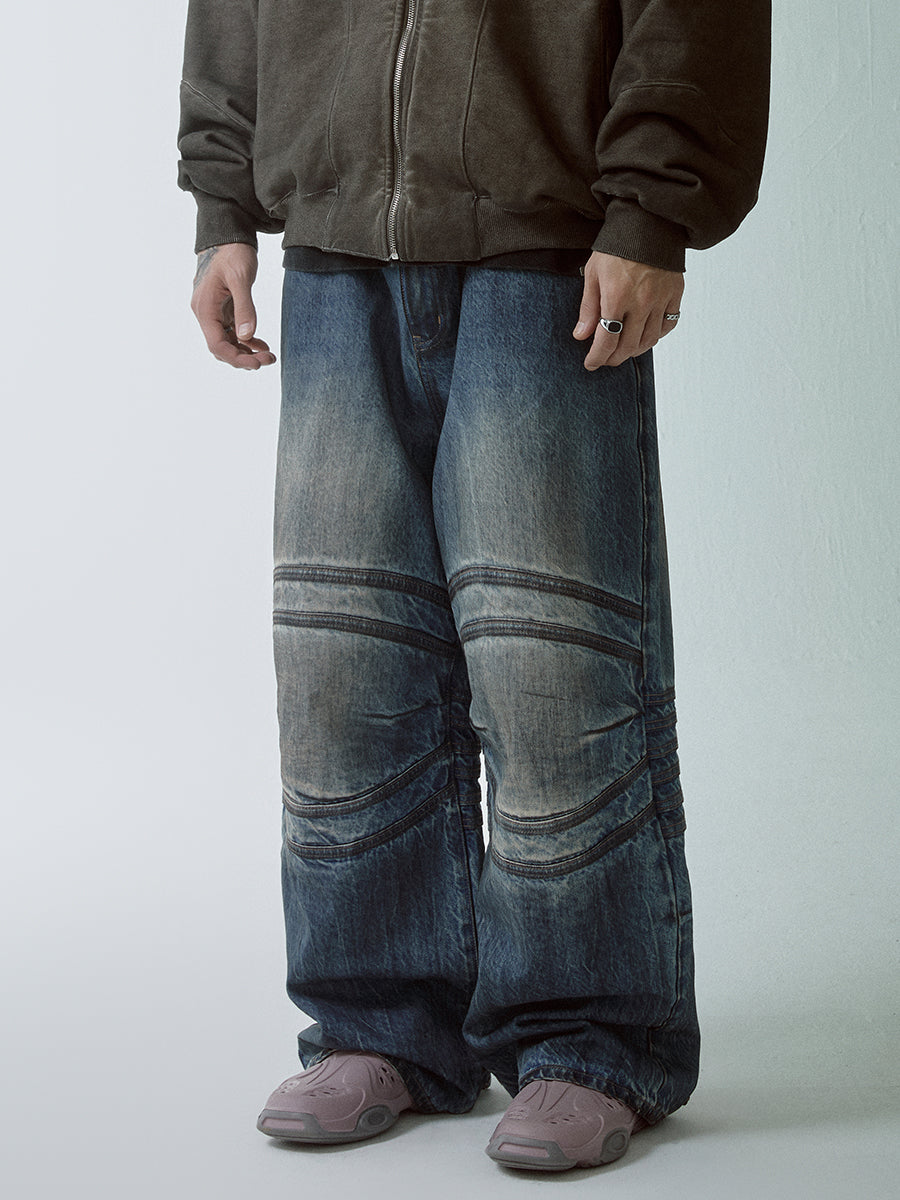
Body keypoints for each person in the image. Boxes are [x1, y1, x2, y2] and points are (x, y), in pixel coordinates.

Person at [177, 0, 770, 1173]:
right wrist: (222, 205)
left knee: (554, 666)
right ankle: (382, 1025)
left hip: (547, 243)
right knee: (344, 668)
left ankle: (593, 1041)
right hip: (336, 247)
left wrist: (652, 210)